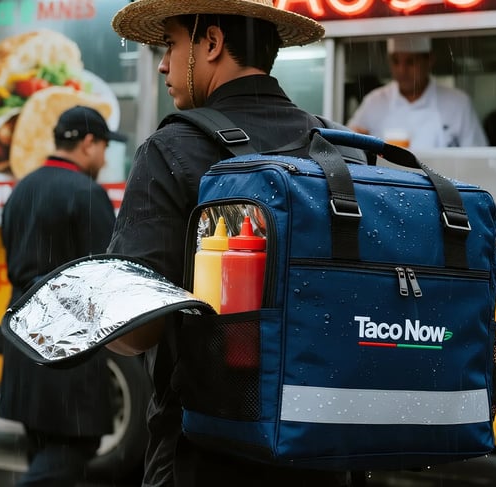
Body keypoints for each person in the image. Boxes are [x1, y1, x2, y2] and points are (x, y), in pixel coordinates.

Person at [106, 0, 351, 485]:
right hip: (320, 455)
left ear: (211, 43)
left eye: (171, 44)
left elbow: (135, 332)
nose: (162, 64)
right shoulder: (338, 148)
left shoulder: (173, 149)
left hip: (206, 457)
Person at [0, 106, 126, 486]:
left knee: (42, 445)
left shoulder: (23, 188)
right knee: (74, 448)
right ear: (88, 144)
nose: (104, 158)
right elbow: (106, 273)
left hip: (23, 336)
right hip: (68, 347)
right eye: (104, 147)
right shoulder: (86, 193)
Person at [347, 35, 488, 149]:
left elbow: (478, 158)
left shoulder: (458, 103)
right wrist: (355, 139)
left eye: (410, 62)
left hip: (442, 184)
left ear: (429, 61)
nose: (402, 70)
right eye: (396, 61)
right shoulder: (374, 102)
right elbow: (348, 141)